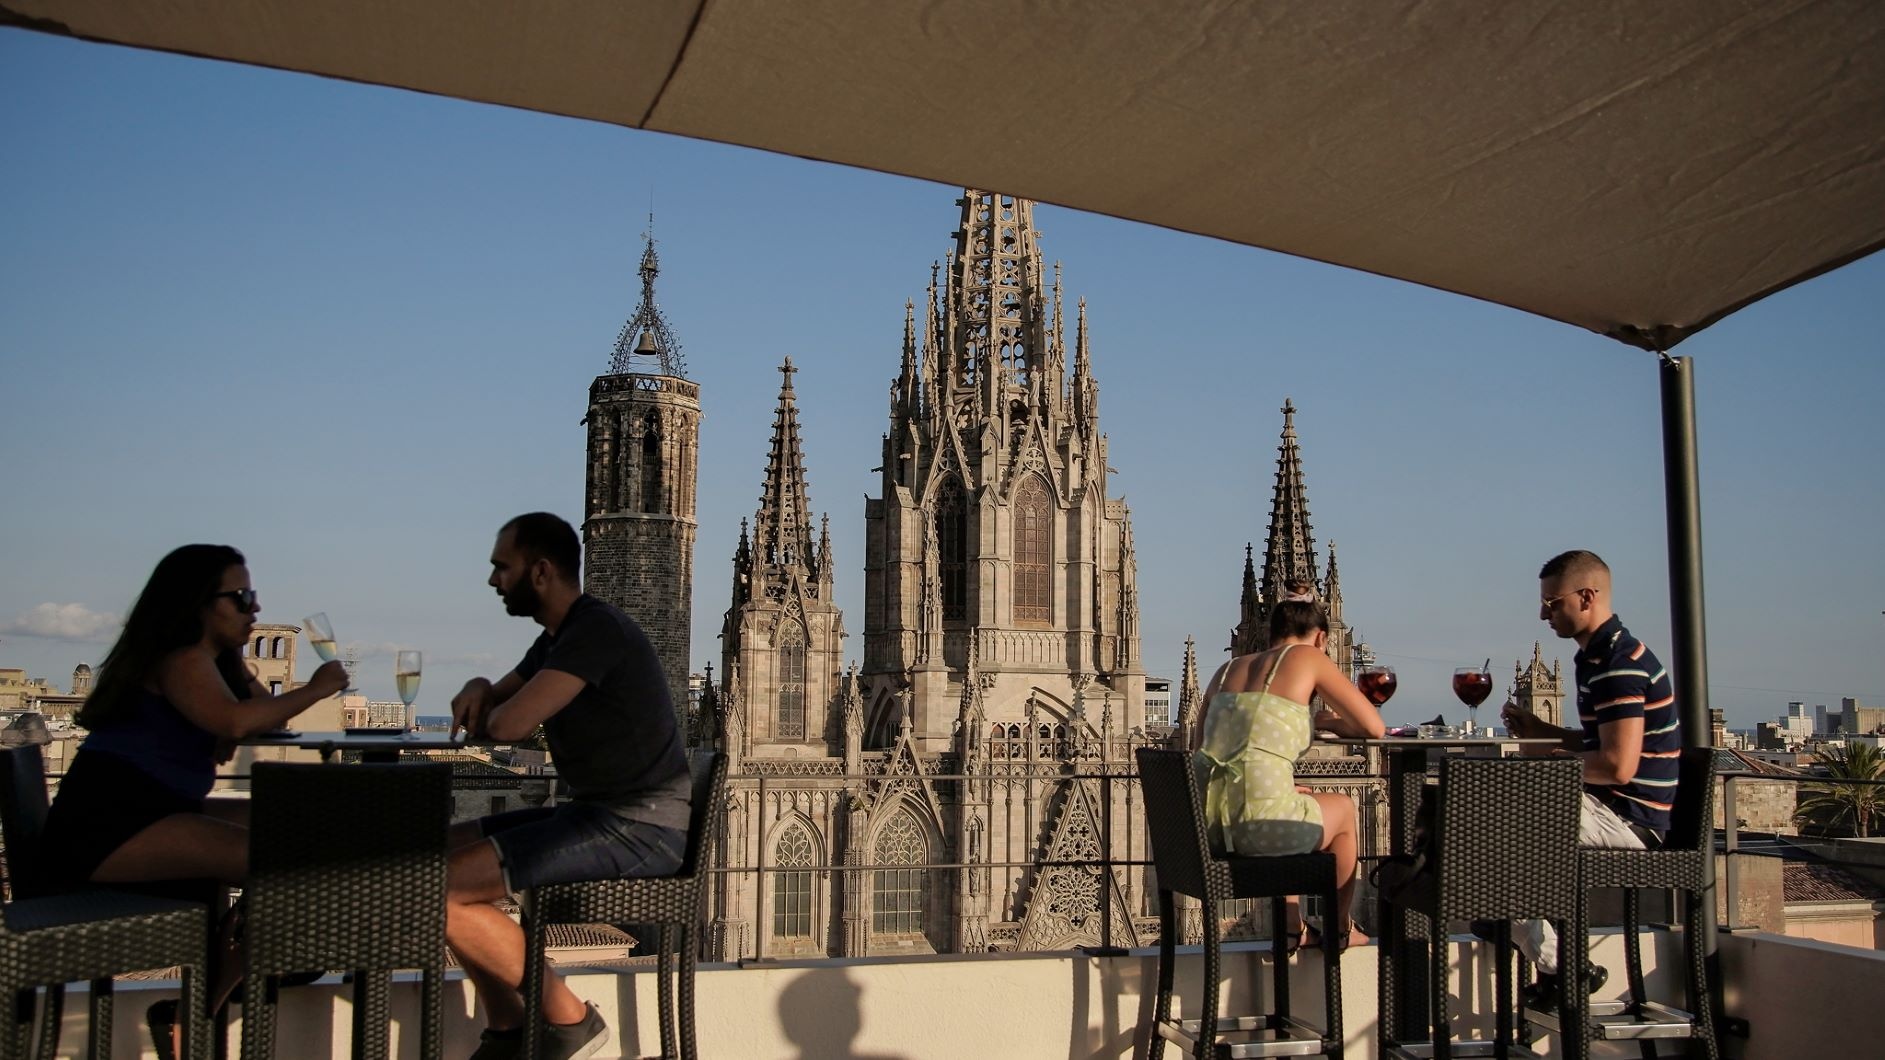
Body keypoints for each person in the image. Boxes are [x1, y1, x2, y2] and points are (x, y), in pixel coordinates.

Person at [38, 544, 350, 1054]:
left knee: (304, 827)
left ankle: (216, 976)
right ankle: (203, 1002)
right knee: (293, 863)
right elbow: (234, 722)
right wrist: (317, 689)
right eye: (242, 597)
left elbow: (262, 714)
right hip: (114, 826)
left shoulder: (211, 661)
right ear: (199, 603)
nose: (255, 609)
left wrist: (244, 675)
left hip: (155, 811)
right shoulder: (180, 658)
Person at [448, 512, 691, 1060]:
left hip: (637, 826)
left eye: (500, 568)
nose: (492, 581)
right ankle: (510, 1025)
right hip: (595, 815)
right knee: (440, 858)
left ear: (540, 572)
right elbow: (500, 692)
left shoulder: (594, 631)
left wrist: (487, 706)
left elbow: (508, 724)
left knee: (437, 889)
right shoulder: (558, 639)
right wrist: (476, 682)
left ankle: (570, 1019)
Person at [1496, 549, 1682, 1009]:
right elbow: (1600, 744)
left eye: (1552, 603)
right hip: (1611, 811)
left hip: (1631, 824)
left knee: (1487, 831)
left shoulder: (1618, 663)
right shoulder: (1597, 658)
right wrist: (1546, 733)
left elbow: (1618, 766)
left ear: (1587, 596)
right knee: (1488, 824)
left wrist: (1554, 761)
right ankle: (1543, 951)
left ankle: (1560, 964)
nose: (1543, 613)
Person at [1190, 587, 1385, 951]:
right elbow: (1373, 728)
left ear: (1268, 634)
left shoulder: (1225, 671)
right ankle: (1341, 928)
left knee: (1297, 801)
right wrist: (1332, 722)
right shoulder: (1308, 657)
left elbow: (1200, 751)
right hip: (1258, 831)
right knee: (1342, 809)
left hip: (1208, 830)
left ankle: (1292, 925)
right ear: (1323, 637)